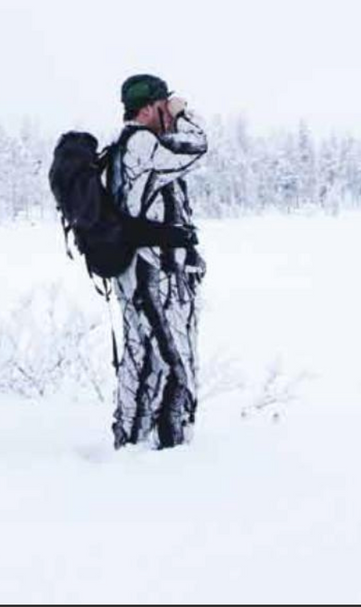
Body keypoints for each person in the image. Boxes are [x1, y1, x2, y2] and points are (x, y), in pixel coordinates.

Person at [107, 72, 208, 450]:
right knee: (173, 360)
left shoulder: (127, 147)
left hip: (142, 270)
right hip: (154, 273)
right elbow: (197, 146)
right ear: (148, 109)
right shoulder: (141, 144)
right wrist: (184, 115)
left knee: (143, 355)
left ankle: (134, 442)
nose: (170, 112)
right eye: (164, 105)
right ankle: (169, 449)